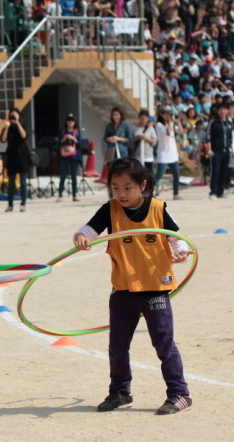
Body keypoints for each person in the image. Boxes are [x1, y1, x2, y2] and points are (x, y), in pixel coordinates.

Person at [72, 157, 193, 415]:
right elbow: (89, 229)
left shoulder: (158, 209)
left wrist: (181, 251)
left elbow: (177, 238)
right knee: (117, 346)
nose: (121, 194)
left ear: (143, 185)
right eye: (115, 188)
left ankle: (179, 393)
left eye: (127, 187)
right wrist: (82, 236)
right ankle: (120, 391)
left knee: (163, 344)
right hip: (123, 290)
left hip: (154, 288)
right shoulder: (110, 209)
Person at [0, 107, 29, 212]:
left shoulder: (22, 125)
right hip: (12, 156)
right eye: (11, 115)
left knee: (23, 182)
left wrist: (18, 123)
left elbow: (24, 135)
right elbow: (3, 139)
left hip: (22, 156)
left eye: (15, 115)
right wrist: (7, 127)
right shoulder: (8, 127)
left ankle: (23, 204)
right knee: (11, 182)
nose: (13, 117)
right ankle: (10, 204)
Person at [154, 107, 182, 201]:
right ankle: (147, 189)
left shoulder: (172, 124)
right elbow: (168, 132)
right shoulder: (159, 125)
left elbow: (181, 131)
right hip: (163, 153)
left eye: (169, 114)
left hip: (173, 153)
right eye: (166, 114)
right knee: (160, 174)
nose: (168, 115)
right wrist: (169, 122)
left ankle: (176, 193)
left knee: (176, 174)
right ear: (161, 114)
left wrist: (178, 122)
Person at [207, 103, 233, 199]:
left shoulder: (229, 123)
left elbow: (231, 137)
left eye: (224, 109)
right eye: (220, 109)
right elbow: (208, 137)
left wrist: (232, 149)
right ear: (217, 111)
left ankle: (221, 191)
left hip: (226, 150)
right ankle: (213, 191)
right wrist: (209, 149)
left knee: (224, 171)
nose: (222, 111)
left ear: (227, 111)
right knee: (215, 171)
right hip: (216, 151)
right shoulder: (213, 122)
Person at [57, 113, 83, 202]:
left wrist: (73, 138)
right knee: (63, 175)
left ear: (74, 122)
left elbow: (80, 144)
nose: (70, 122)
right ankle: (60, 194)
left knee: (74, 176)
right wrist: (63, 139)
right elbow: (58, 144)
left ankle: (74, 195)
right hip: (64, 155)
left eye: (72, 120)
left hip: (74, 156)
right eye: (69, 120)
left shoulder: (76, 131)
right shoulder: (63, 131)